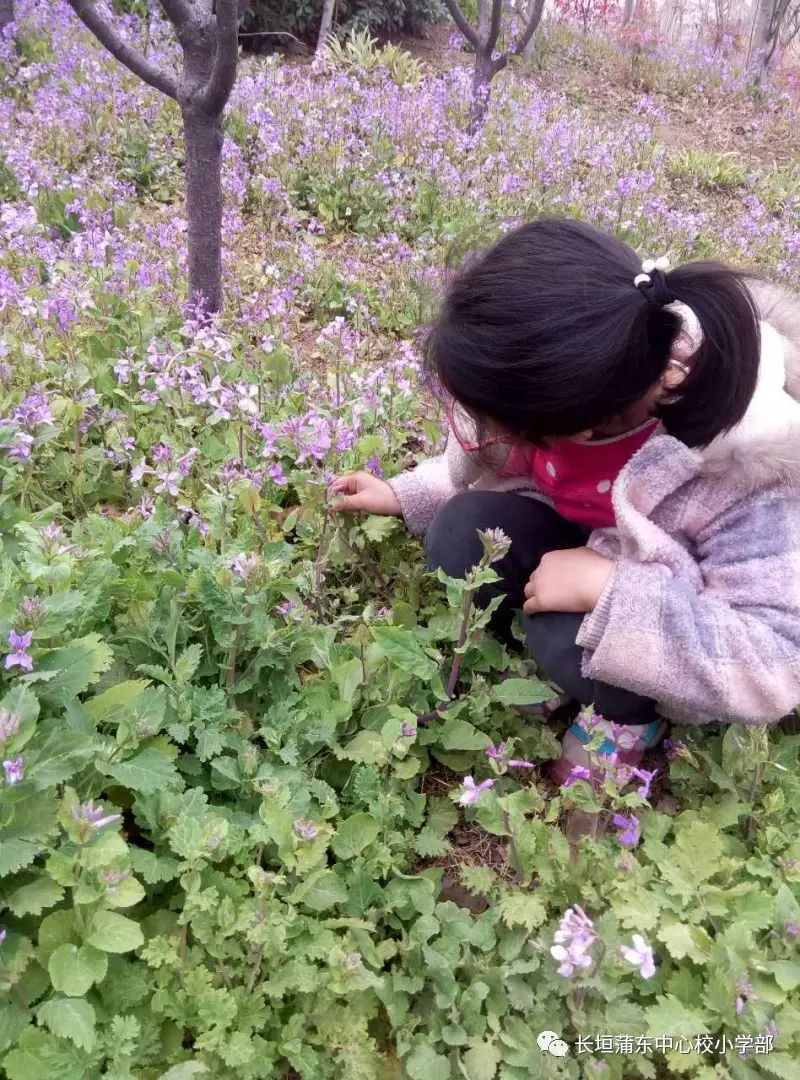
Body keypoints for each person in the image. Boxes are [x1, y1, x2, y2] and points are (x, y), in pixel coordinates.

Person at [328, 216, 800, 786]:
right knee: (461, 533)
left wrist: (610, 590)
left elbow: (774, 660)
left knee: (561, 634)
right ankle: (557, 667)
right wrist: (405, 493)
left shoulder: (743, 462)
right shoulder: (592, 373)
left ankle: (630, 716)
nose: (489, 429)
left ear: (574, 427)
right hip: (583, 550)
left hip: (668, 607)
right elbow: (496, 463)